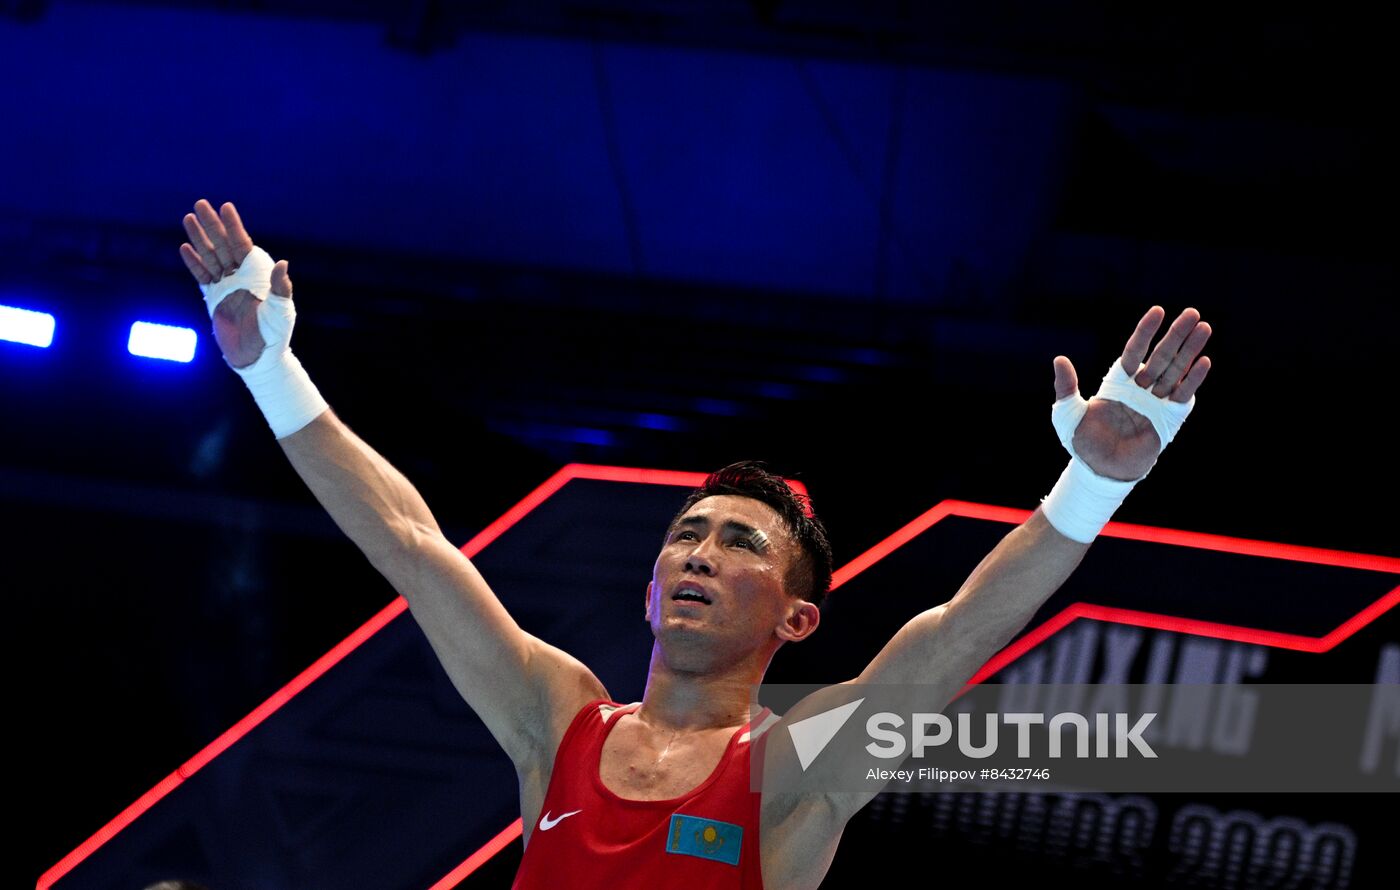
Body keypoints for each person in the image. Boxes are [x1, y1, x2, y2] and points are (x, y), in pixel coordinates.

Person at [179, 199, 1212, 888]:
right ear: (649, 585)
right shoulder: (556, 716)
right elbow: (410, 542)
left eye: (738, 543)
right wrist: (272, 372)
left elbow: (947, 641)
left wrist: (1091, 484)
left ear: (797, 616)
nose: (701, 554)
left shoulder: (800, 761)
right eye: (686, 535)